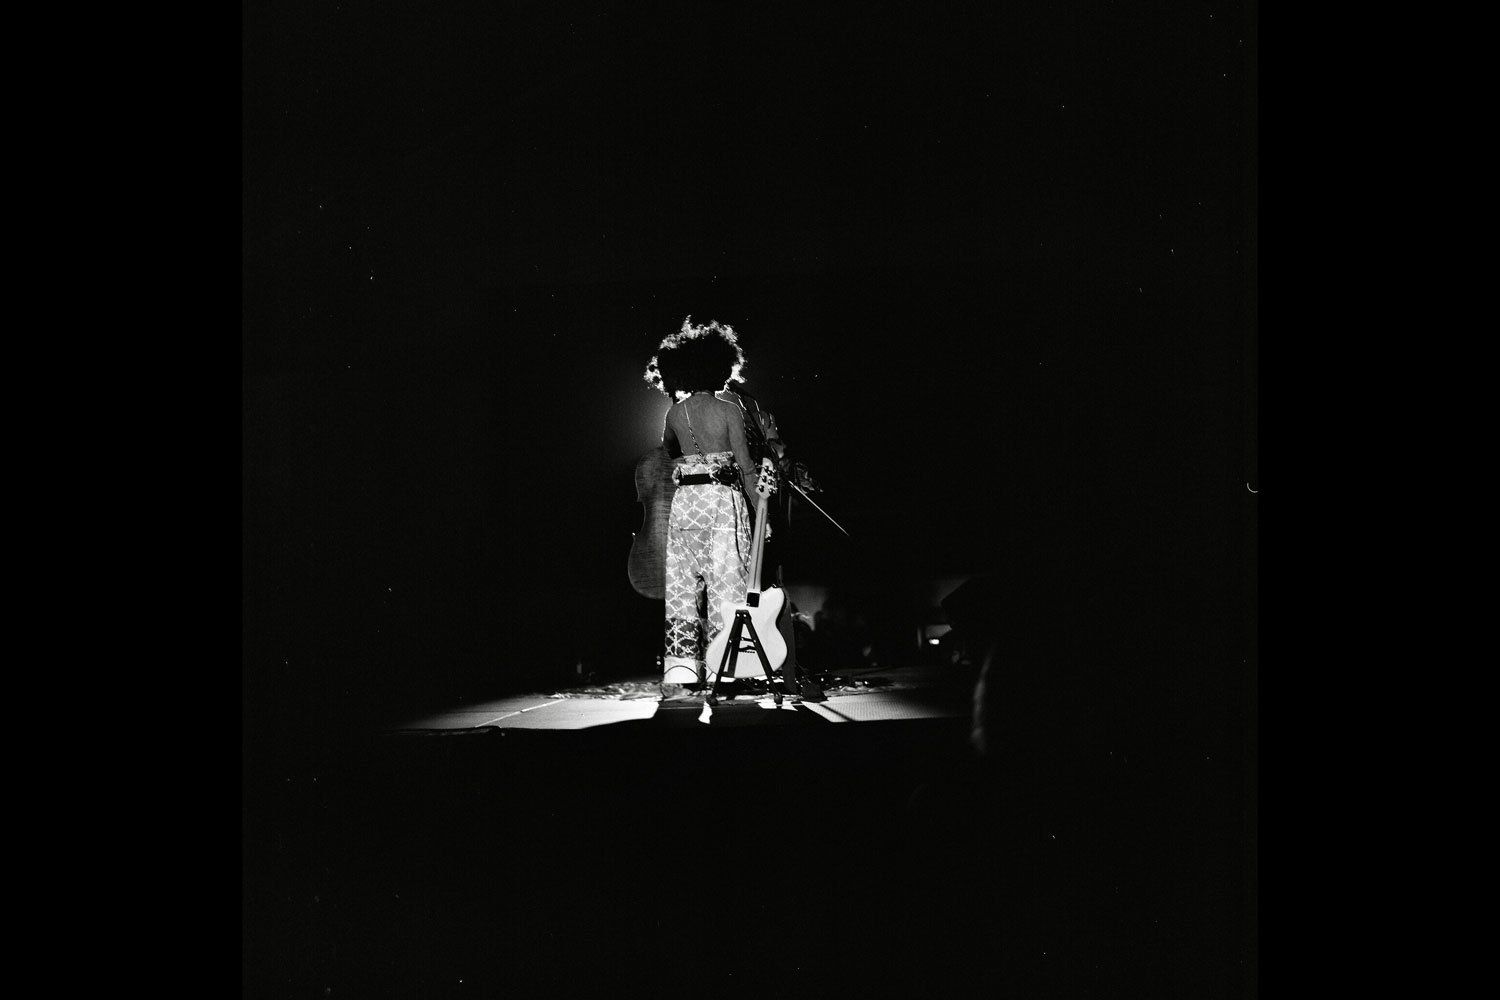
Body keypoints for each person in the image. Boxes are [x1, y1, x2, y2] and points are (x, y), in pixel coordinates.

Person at [644, 319, 759, 698]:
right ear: (721, 366)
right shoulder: (729, 410)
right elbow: (745, 466)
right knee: (727, 582)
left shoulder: (674, 414)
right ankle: (725, 669)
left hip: (686, 505)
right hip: (721, 502)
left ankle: (681, 672)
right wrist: (760, 512)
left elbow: (669, 455)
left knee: (683, 584)